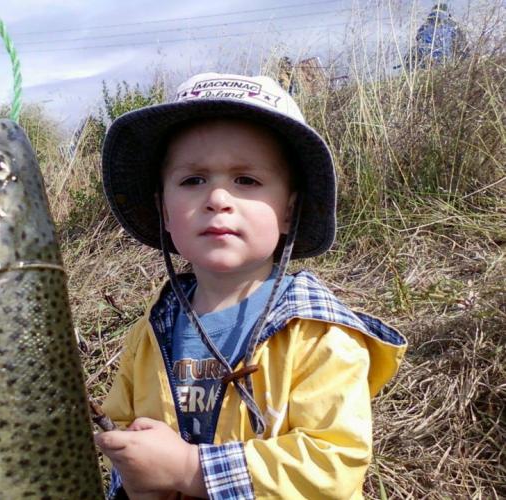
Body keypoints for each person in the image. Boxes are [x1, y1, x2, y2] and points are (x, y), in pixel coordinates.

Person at [95, 72, 407, 499]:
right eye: (192, 180)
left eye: (246, 180)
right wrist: (135, 480)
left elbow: (333, 465)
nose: (218, 198)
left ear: (288, 212)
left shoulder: (320, 336)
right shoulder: (149, 335)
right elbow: (123, 440)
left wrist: (191, 469)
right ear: (164, 211)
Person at [407, 2, 467, 69]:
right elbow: (463, 47)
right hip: (445, 65)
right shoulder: (453, 26)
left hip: (424, 65)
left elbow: (418, 38)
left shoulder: (424, 27)